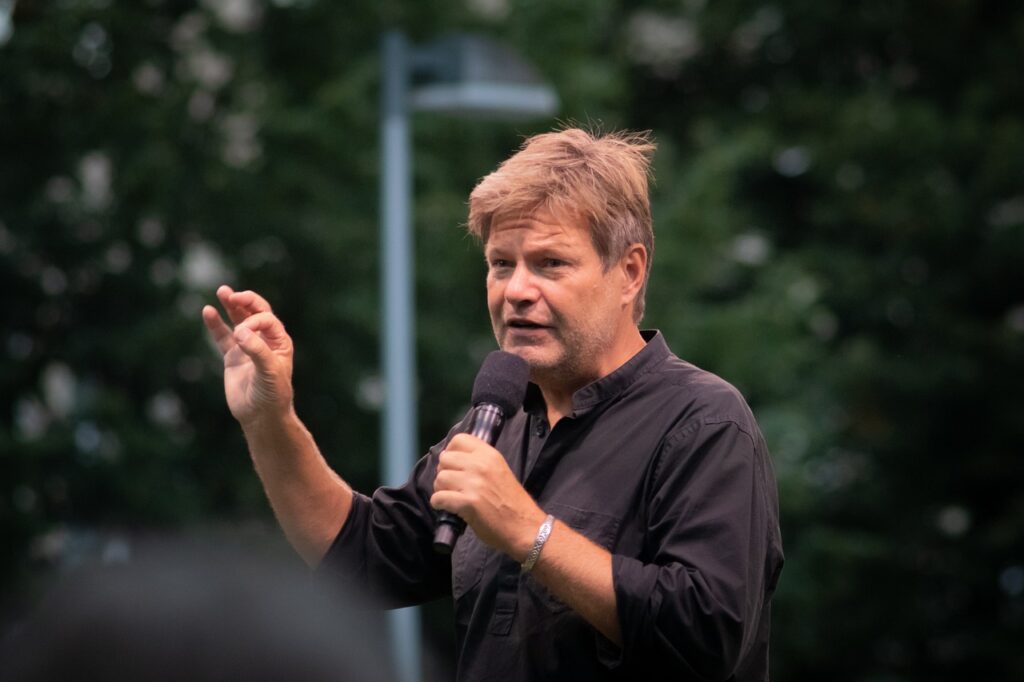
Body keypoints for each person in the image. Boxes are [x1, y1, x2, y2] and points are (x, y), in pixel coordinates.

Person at [201, 128, 783, 681]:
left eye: (550, 264)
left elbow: (710, 637)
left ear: (628, 272)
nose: (517, 290)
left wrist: (529, 532)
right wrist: (269, 420)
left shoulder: (705, 422)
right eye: (501, 264)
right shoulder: (496, 424)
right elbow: (360, 559)